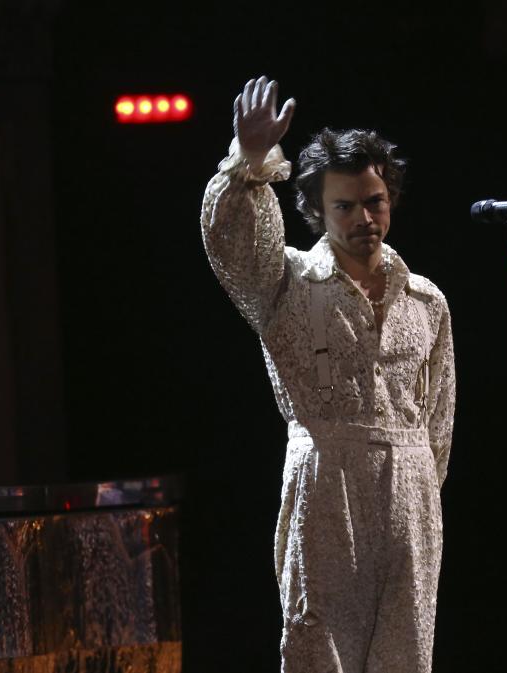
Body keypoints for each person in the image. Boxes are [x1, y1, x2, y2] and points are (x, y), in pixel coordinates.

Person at [201, 75, 456, 673]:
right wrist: (252, 160)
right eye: (345, 205)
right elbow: (233, 249)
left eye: (375, 201)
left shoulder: (427, 301)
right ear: (317, 211)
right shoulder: (286, 283)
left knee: (406, 657)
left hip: (411, 491)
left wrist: (419, 497)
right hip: (327, 488)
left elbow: (440, 416)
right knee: (319, 650)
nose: (364, 216)